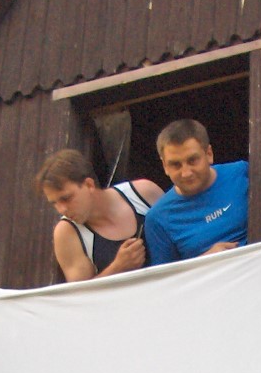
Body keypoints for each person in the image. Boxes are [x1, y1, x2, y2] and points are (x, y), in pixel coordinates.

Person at [36, 148, 163, 281]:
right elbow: (81, 292)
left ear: (89, 185)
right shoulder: (67, 233)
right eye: (54, 203)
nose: (61, 209)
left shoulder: (143, 193)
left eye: (66, 198)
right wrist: (117, 268)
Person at [143, 120, 248, 264]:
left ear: (209, 154)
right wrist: (203, 262)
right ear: (165, 166)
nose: (186, 173)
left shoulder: (241, 173)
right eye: (175, 165)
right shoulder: (158, 218)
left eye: (192, 160)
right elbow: (166, 276)